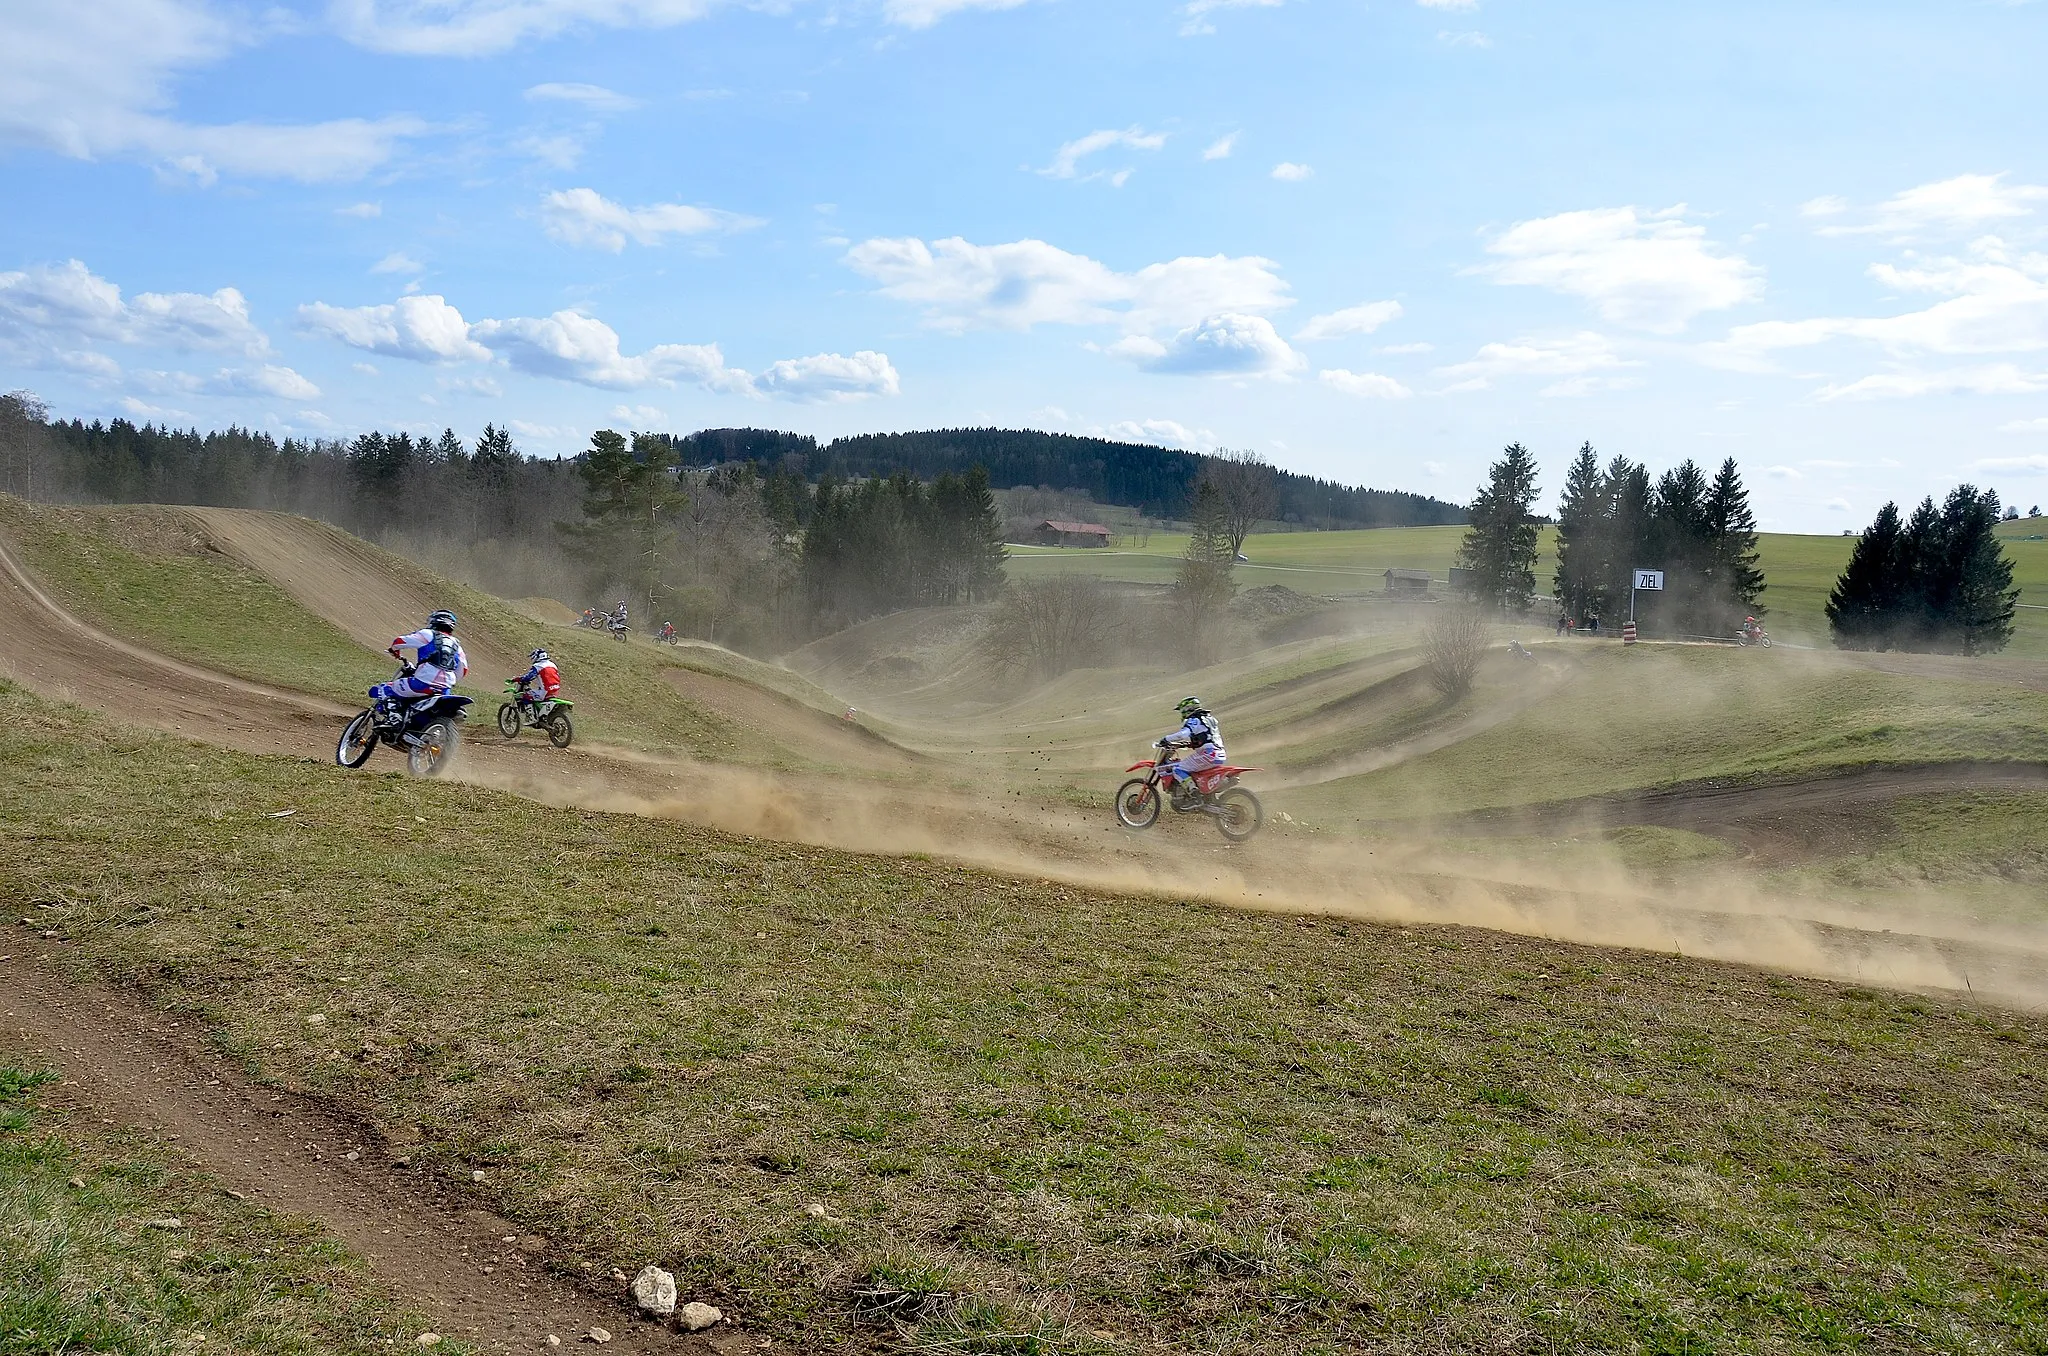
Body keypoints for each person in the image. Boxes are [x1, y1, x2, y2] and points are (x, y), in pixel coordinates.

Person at [371, 609, 469, 726]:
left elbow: (399, 641)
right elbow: (463, 670)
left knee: (385, 688)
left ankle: (394, 719)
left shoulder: (428, 634)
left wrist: (395, 651)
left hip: (423, 683)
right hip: (445, 689)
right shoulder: (457, 645)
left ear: (434, 622)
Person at [1155, 696, 1226, 798]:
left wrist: (1166, 739)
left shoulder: (1194, 720)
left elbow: (1183, 734)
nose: (1182, 713)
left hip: (1208, 754)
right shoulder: (1209, 719)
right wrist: (1189, 744)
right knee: (1194, 771)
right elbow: (1207, 737)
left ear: (1188, 709)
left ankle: (1193, 793)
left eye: (1182, 710)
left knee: (1177, 769)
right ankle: (1204, 797)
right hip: (1220, 754)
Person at [513, 648, 561, 712]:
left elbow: (528, 677)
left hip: (544, 691)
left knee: (525, 696)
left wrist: (519, 679)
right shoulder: (553, 665)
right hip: (555, 690)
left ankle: (530, 717)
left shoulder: (538, 666)